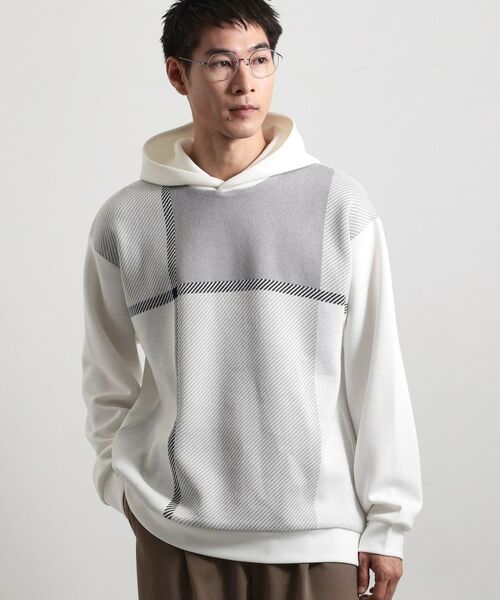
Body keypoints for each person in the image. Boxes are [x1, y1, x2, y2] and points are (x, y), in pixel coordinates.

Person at [81, 1, 423, 599]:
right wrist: (124, 487)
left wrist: (388, 522)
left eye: (260, 60)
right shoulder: (127, 220)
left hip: (318, 534)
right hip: (175, 532)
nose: (245, 83)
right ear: (177, 74)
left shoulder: (338, 204)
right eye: (220, 62)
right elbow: (106, 378)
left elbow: (377, 371)